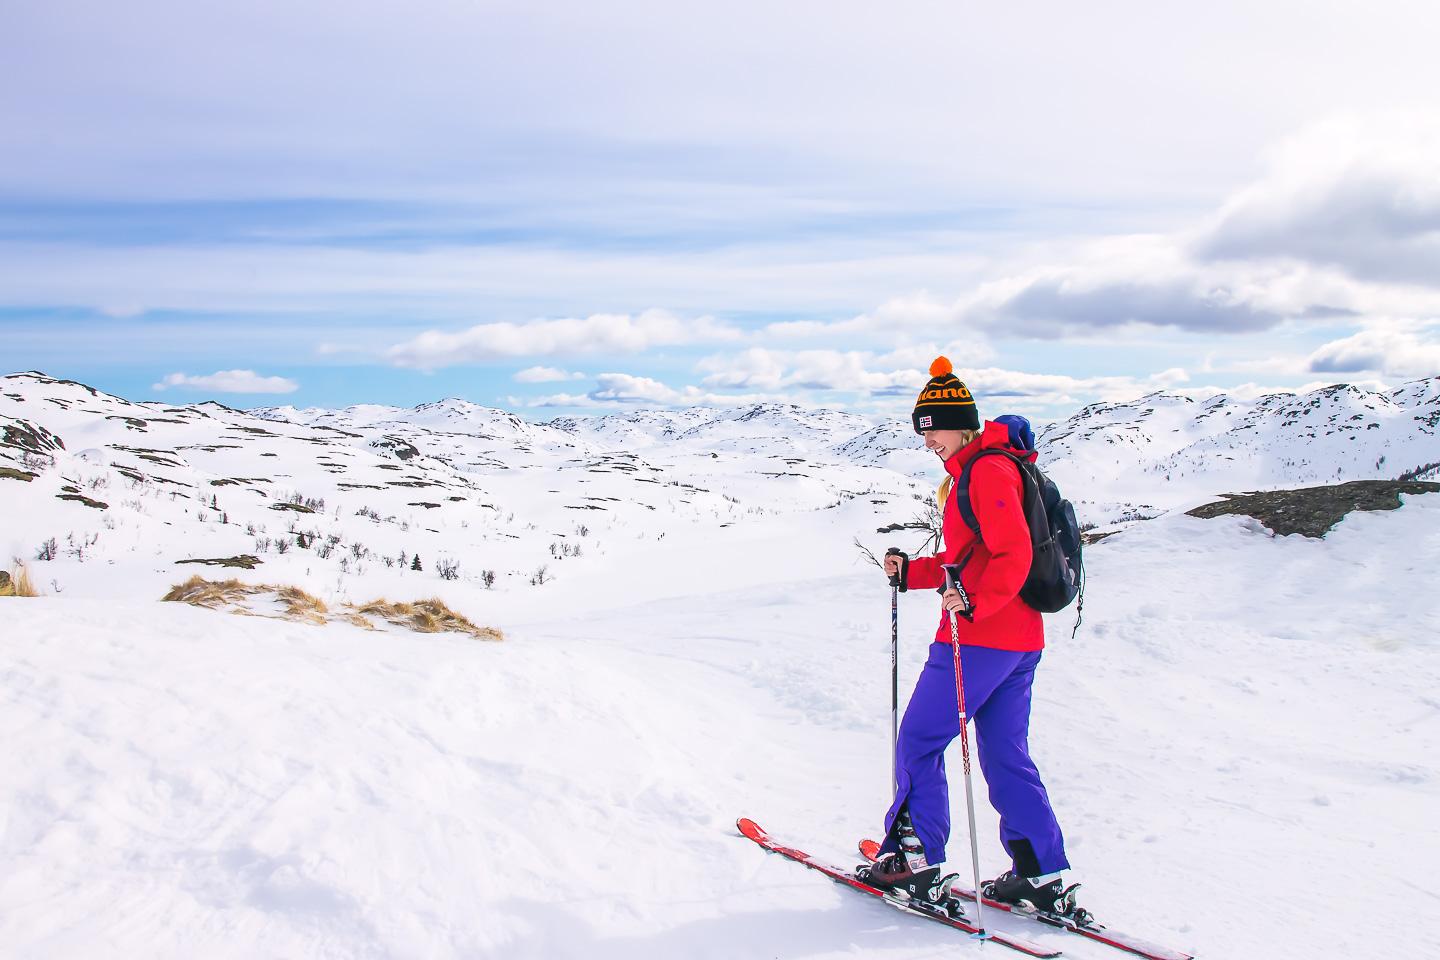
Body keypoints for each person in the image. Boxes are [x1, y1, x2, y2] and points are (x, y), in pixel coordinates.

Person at [865, 356, 1074, 915]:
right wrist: (913, 573)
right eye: (922, 431)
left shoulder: (986, 471)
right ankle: (1039, 871)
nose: (928, 440)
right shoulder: (987, 469)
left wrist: (975, 604)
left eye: (934, 429)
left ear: (963, 423)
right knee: (1005, 752)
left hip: (977, 639)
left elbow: (1014, 553)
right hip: (1018, 639)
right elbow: (969, 562)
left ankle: (916, 861)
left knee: (919, 739)